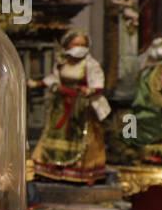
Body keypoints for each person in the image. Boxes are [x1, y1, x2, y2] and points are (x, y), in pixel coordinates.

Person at [32, 30, 111, 184]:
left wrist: (89, 91)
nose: (79, 48)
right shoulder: (62, 62)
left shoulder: (90, 64)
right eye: (76, 44)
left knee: (82, 136)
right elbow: (54, 78)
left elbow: (98, 84)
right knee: (54, 134)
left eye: (83, 45)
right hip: (61, 105)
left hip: (80, 107)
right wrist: (38, 83)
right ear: (67, 45)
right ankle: (51, 168)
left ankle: (83, 171)